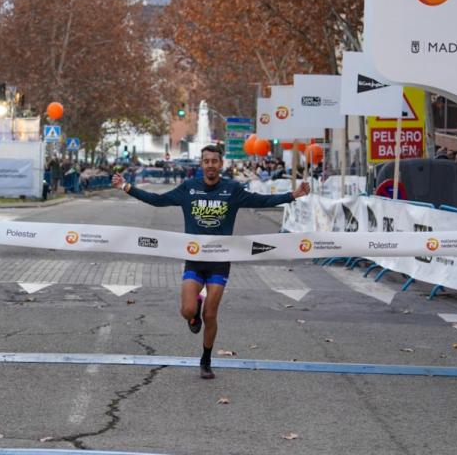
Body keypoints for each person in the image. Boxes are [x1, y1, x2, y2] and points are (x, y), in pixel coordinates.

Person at [112, 144, 310, 379]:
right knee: (188, 311)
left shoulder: (232, 189)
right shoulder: (189, 188)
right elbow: (157, 200)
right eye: (206, 161)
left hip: (220, 261)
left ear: (221, 164)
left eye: (214, 161)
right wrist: (126, 186)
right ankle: (193, 312)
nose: (210, 165)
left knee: (211, 315)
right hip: (194, 260)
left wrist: (292, 195)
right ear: (201, 164)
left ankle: (206, 360)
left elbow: (261, 201)